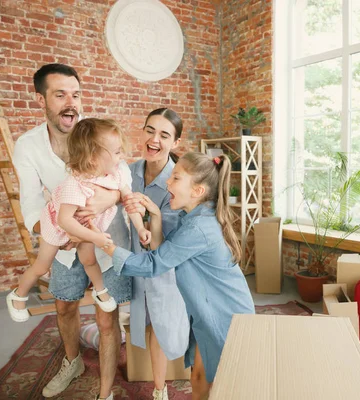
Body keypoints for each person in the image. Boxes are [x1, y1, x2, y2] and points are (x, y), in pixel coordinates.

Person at [13, 64, 132, 400]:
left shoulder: (96, 130)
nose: (71, 102)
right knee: (64, 306)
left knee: (107, 316)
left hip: (105, 234)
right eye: (60, 94)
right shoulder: (27, 145)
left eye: (76, 94)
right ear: (41, 99)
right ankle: (72, 361)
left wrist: (100, 204)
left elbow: (124, 178)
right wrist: (69, 235)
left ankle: (105, 391)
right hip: (62, 239)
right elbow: (31, 206)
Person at [99, 152, 256, 400]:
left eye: (175, 178)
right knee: (198, 377)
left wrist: (106, 247)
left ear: (197, 191)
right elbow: (166, 253)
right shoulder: (193, 217)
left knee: (226, 385)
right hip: (208, 313)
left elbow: (154, 264)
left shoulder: (198, 228)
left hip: (224, 316)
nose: (167, 183)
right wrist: (157, 217)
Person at [7, 118, 151, 322]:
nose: (123, 156)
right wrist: (96, 237)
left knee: (89, 260)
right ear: (94, 158)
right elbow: (64, 221)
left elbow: (129, 200)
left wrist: (139, 226)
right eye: (117, 152)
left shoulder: (115, 173)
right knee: (41, 266)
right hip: (57, 226)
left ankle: (100, 291)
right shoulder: (75, 184)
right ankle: (17, 296)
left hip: (84, 228)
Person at [122, 108, 189, 400]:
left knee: (161, 324)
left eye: (164, 135)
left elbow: (169, 240)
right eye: (150, 130)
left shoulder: (178, 181)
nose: (154, 139)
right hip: (134, 260)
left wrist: (150, 220)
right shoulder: (128, 171)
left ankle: (160, 390)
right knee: (141, 320)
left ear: (175, 143)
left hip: (166, 267)